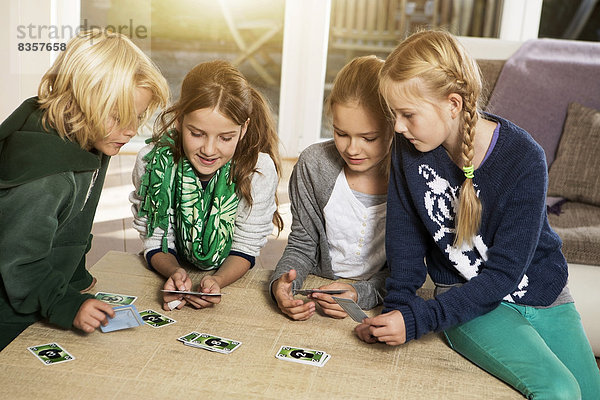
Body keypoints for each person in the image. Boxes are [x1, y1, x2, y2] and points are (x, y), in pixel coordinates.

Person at [355, 30, 600, 399]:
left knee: (591, 392)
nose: (399, 127)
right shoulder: (407, 150)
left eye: (407, 114)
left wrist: (416, 319)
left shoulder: (524, 159)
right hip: (464, 298)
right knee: (559, 390)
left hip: (542, 291)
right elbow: (404, 242)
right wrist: (401, 313)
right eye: (394, 115)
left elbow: (504, 273)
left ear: (453, 104)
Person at [0, 29, 169, 350]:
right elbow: (17, 259)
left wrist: (75, 278)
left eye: (137, 117)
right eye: (118, 116)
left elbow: (72, 224)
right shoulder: (46, 177)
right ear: (78, 101)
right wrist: (63, 303)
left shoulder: (93, 135)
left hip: (39, 283)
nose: (130, 130)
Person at [130, 60, 283, 312]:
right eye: (197, 133)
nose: (209, 150)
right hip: (167, 264)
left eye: (226, 138)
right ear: (178, 120)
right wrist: (175, 272)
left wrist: (217, 281)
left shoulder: (259, 170)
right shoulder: (151, 163)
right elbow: (156, 237)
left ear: (243, 129)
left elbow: (245, 246)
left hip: (229, 273)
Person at [270, 56, 394, 320]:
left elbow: (407, 272)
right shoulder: (314, 165)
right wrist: (282, 283)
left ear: (395, 126)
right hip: (317, 284)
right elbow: (301, 245)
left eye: (368, 138)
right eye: (341, 133)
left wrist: (361, 293)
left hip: (378, 297)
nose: (352, 149)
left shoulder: (411, 177)